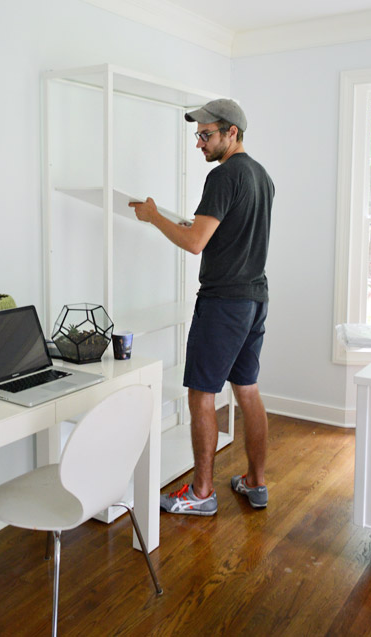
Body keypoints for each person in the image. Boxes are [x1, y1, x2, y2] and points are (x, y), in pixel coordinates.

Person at [129, 98, 274, 515]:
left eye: (206, 135)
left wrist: (154, 216)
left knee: (201, 395)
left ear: (232, 133)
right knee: (247, 390)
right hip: (254, 297)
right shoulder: (261, 177)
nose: (199, 144)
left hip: (224, 302)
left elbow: (195, 245)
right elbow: (231, 232)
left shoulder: (224, 176)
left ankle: (201, 493)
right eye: (197, 135)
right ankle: (256, 483)